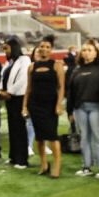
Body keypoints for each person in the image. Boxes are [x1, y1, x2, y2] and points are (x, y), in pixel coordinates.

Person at [67, 40, 99, 179]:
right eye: (84, 50)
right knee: (84, 138)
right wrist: (69, 111)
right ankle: (86, 166)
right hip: (80, 108)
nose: (86, 52)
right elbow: (70, 91)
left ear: (96, 52)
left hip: (98, 107)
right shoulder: (77, 70)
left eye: (90, 50)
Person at [23, 43, 65, 178]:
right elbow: (28, 88)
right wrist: (24, 106)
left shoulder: (56, 65)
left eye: (47, 47)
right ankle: (44, 164)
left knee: (52, 136)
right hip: (35, 105)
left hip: (50, 106)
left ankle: (57, 166)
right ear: (38, 49)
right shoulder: (32, 67)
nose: (44, 49)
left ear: (51, 50)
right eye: (42, 46)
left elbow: (61, 87)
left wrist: (59, 104)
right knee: (39, 138)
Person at [0, 38, 31, 169]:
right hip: (9, 99)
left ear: (14, 48)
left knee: (20, 129)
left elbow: (23, 79)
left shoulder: (24, 60)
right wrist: (1, 91)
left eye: (6, 48)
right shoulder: (9, 63)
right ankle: (13, 157)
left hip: (19, 98)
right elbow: (3, 78)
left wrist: (9, 92)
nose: (4, 51)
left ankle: (22, 160)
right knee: (12, 128)